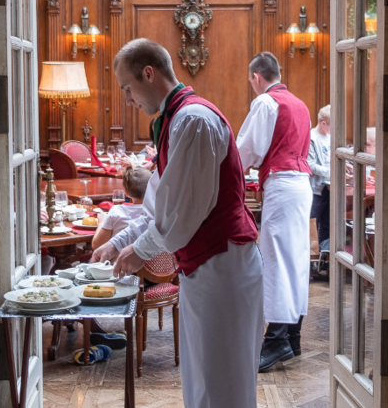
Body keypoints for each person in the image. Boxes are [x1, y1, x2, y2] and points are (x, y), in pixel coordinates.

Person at [91, 38, 263, 408]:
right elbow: (158, 208)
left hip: (224, 265)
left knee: (224, 385)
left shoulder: (193, 121)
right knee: (203, 380)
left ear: (148, 74)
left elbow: (181, 217)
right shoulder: (178, 120)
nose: (127, 99)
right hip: (206, 267)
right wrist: (120, 243)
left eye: (127, 88)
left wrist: (139, 252)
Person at [236, 51, 313, 372]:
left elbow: (246, 149)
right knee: (295, 258)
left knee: (275, 259)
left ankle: (276, 339)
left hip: (281, 186)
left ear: (257, 77)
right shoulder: (301, 105)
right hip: (302, 185)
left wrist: (230, 170)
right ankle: (293, 333)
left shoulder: (267, 103)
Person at [91, 165, 151, 249]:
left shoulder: (116, 211)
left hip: (116, 261)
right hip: (152, 261)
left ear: (126, 193)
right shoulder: (156, 213)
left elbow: (97, 245)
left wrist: (102, 222)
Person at [308, 105, 331, 250]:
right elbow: (310, 165)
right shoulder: (311, 138)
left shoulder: (330, 137)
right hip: (316, 188)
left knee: (327, 224)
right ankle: (312, 258)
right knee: (311, 221)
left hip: (330, 187)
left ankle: (325, 257)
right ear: (323, 123)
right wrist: (332, 171)